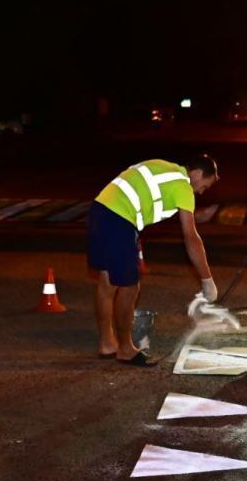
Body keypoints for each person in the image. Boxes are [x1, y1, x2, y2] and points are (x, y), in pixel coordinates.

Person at [88, 155, 220, 366]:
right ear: (196, 174)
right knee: (129, 286)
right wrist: (207, 280)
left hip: (100, 209)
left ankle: (107, 343)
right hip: (119, 218)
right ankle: (125, 349)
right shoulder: (183, 185)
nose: (202, 191)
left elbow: (139, 194)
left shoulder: (163, 167)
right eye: (205, 185)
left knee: (107, 282)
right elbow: (191, 237)